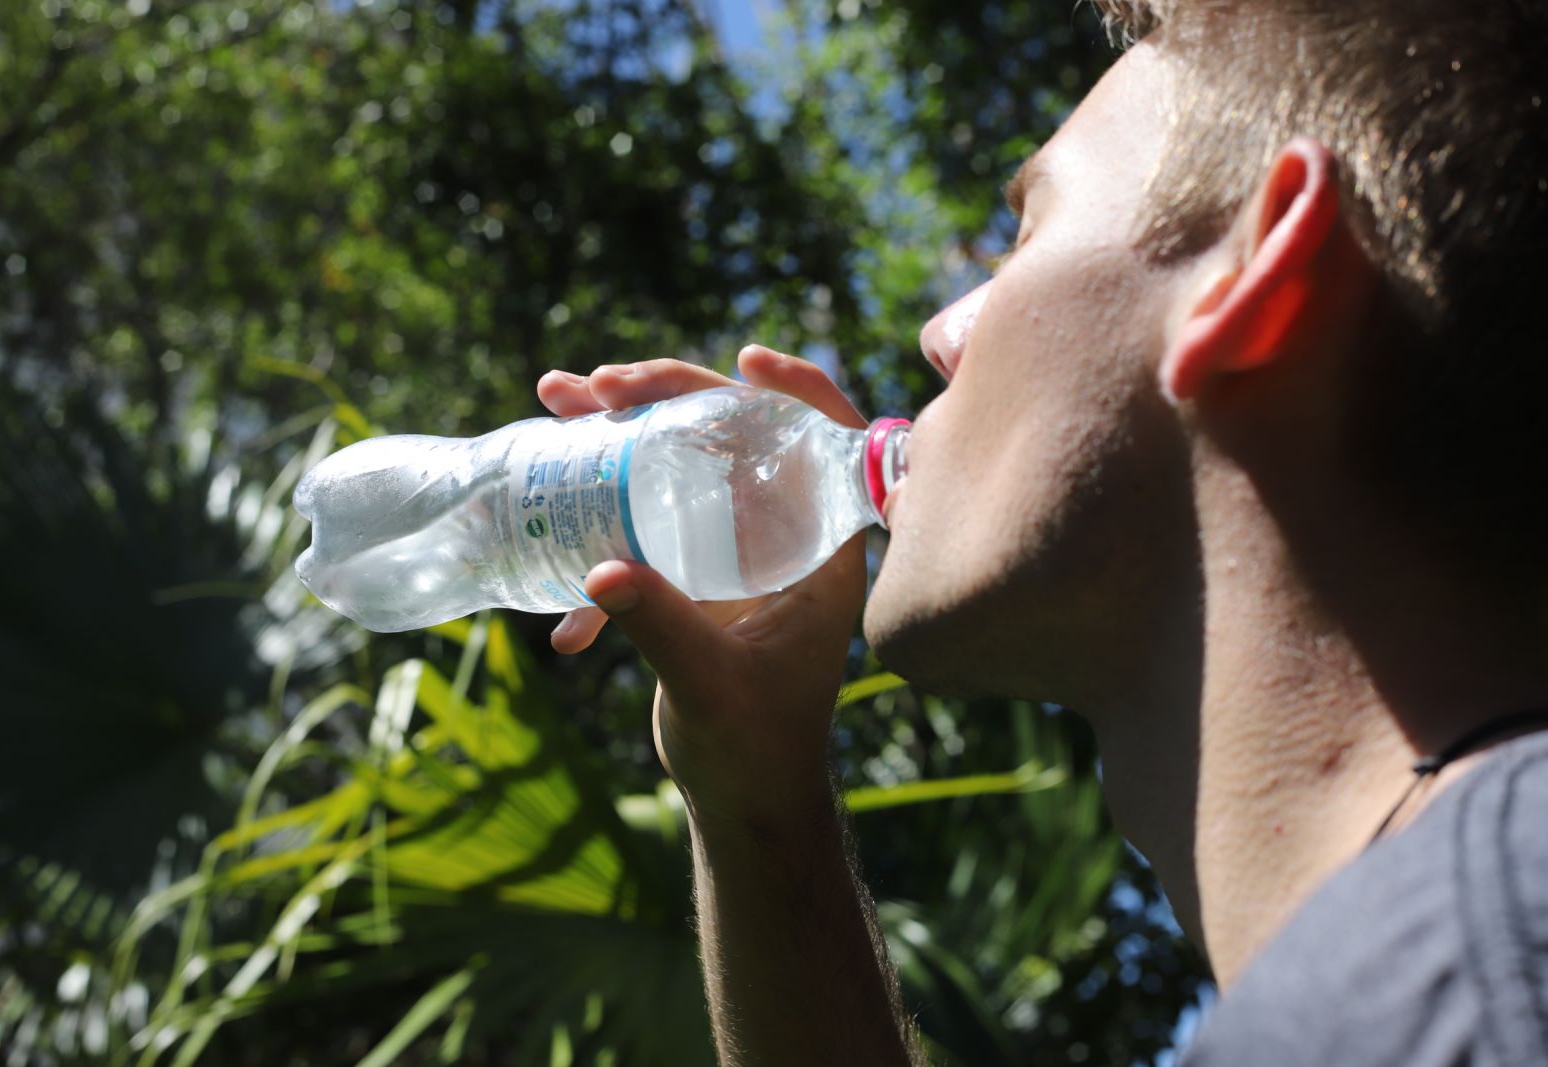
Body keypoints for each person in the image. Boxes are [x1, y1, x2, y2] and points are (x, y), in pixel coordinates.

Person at [537, 0, 1548, 1062]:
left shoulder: (1465, 972)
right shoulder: (1448, 966)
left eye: (1023, 237)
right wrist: (758, 792)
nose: (938, 334)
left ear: (1259, 272)